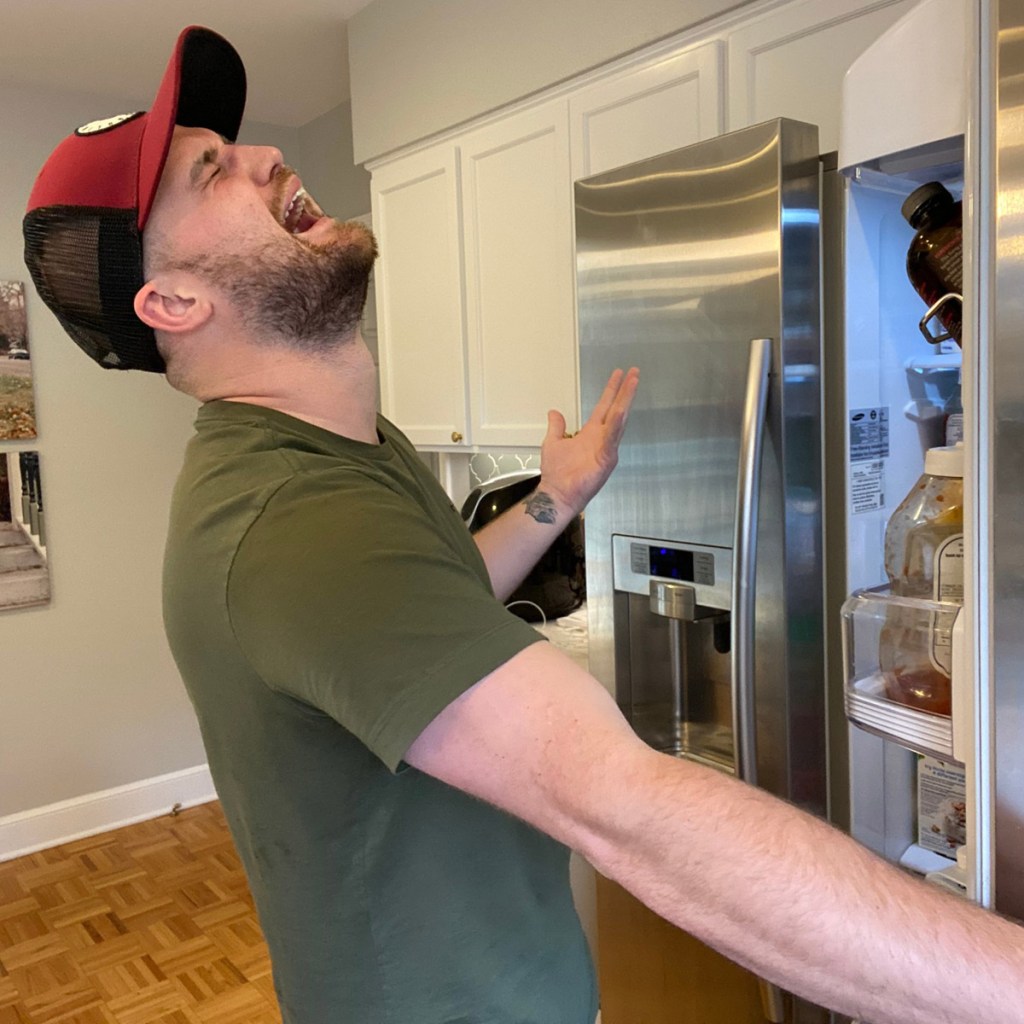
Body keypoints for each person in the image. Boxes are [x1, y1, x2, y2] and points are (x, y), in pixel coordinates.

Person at [23, 24, 1024, 1024]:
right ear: (175, 300)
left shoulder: (350, 448)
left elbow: (431, 594)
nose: (265, 155)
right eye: (213, 171)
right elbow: (626, 809)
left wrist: (555, 499)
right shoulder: (293, 522)